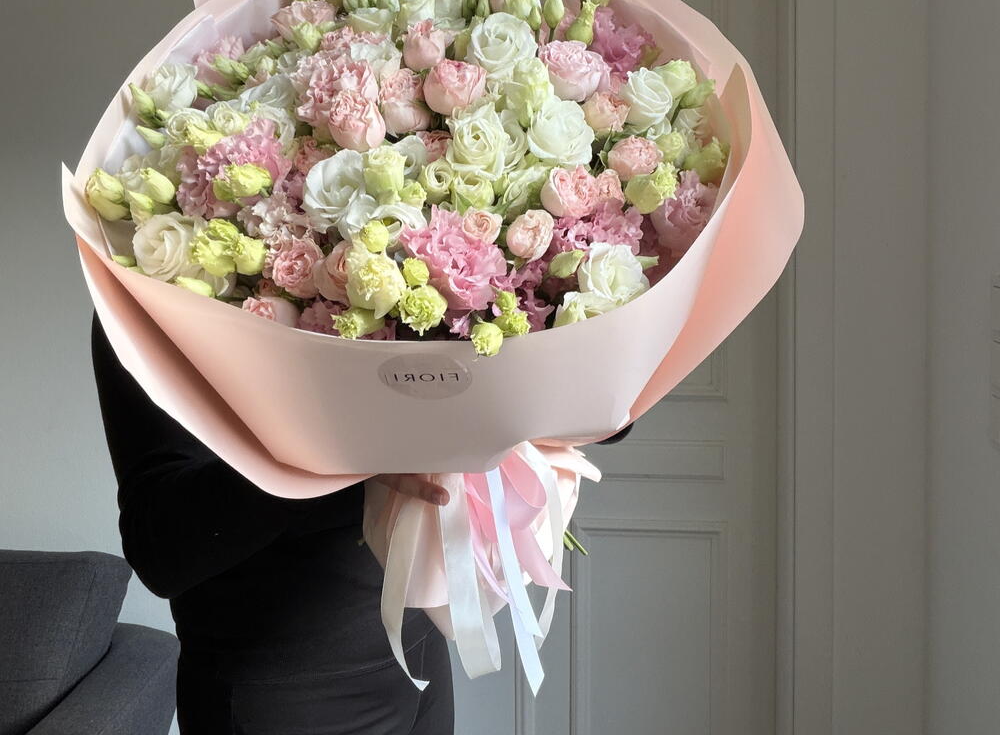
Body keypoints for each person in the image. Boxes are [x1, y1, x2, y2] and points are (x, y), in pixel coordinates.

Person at [92, 312, 631, 733]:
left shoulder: (400, 241)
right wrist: (344, 447)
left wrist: (583, 357)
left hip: (416, 654)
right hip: (280, 691)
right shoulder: (154, 298)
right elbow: (162, 549)